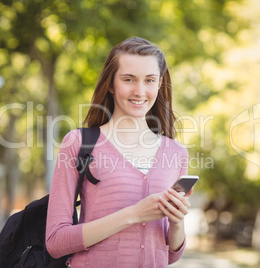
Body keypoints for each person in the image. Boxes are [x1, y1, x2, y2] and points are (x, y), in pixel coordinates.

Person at [46, 37, 192, 267]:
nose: (139, 91)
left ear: (159, 84)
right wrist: (134, 214)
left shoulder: (176, 153)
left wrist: (176, 222)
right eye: (128, 79)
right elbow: (55, 242)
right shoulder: (78, 143)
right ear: (111, 84)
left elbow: (171, 255)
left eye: (149, 80)